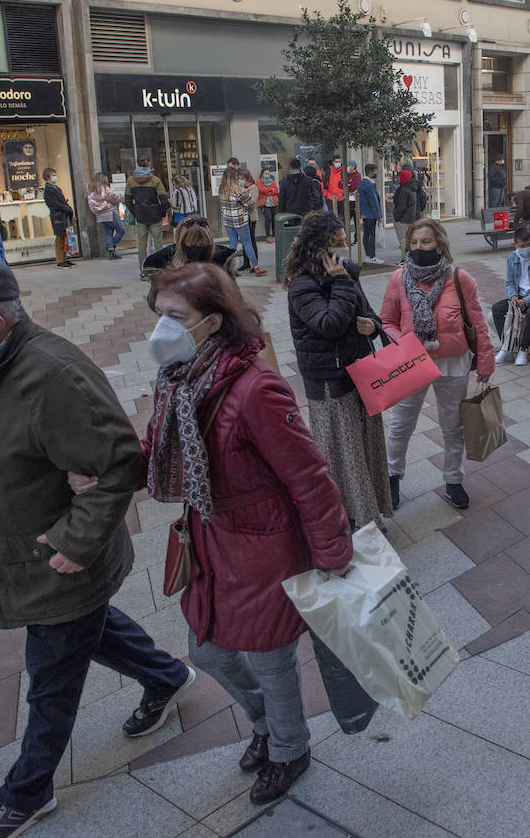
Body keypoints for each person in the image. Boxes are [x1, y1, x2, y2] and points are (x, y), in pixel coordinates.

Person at [0, 254, 194, 838]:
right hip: (24, 559)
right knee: (90, 632)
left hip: (60, 561)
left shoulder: (55, 375)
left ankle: (27, 791)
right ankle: (166, 677)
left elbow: (117, 463)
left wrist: (76, 544)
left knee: (51, 681)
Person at [140, 261, 368, 805]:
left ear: (213, 322)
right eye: (157, 315)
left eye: (175, 316)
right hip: (213, 539)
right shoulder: (176, 380)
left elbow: (309, 475)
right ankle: (266, 723)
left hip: (266, 546)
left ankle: (289, 748)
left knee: (271, 656)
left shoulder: (256, 387)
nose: (160, 328)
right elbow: (153, 454)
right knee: (208, 650)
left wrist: (332, 550)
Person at [284, 212, 393, 528]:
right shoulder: (302, 285)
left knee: (368, 446)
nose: (345, 248)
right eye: (337, 243)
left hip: (361, 372)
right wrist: (342, 281)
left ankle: (370, 510)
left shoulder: (347, 274)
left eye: (346, 241)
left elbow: (370, 315)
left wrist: (371, 326)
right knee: (344, 453)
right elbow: (328, 324)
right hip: (330, 381)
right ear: (318, 248)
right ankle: (349, 518)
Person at [381, 219, 495, 510]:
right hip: (411, 361)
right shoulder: (398, 278)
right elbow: (388, 322)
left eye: (426, 242)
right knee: (400, 425)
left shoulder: (460, 279)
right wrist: (403, 343)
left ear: (440, 244)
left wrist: (485, 360)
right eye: (414, 242)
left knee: (453, 426)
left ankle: (454, 480)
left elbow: (478, 323)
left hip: (452, 362)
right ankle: (392, 478)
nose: (419, 248)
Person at [491, 225, 530, 366]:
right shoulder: (512, 258)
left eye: (528, 244)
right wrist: (513, 296)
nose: (526, 248)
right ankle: (507, 347)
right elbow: (510, 281)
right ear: (514, 244)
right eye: (522, 246)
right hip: (519, 297)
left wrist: (527, 300)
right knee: (497, 309)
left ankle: (523, 349)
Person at [126, 157, 169, 279]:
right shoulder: (155, 180)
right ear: (148, 164)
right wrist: (161, 212)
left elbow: (127, 200)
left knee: (142, 244)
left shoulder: (131, 181)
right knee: (158, 243)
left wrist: (135, 212)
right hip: (154, 214)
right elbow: (164, 200)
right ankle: (159, 269)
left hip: (140, 215)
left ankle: (143, 270)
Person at [219, 166, 263, 276]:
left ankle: (230, 268)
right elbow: (249, 202)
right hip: (239, 220)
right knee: (247, 243)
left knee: (232, 243)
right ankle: (255, 267)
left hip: (227, 220)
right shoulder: (238, 188)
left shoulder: (222, 189)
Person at [87, 172, 125, 260]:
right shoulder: (104, 188)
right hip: (109, 212)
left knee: (108, 232)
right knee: (121, 230)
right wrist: (121, 198)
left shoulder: (91, 190)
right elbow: (113, 198)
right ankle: (111, 246)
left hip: (100, 215)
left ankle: (111, 251)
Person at [42, 168, 75, 269]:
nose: (55, 177)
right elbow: (54, 204)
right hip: (58, 216)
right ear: (48, 177)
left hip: (64, 215)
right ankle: (60, 260)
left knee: (65, 236)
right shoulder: (48, 190)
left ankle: (64, 258)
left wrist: (68, 208)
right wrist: (66, 208)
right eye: (53, 175)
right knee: (60, 237)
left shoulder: (56, 188)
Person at [392, 167, 423, 258]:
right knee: (409, 239)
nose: (398, 179)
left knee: (403, 240)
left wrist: (397, 217)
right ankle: (411, 258)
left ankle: (405, 259)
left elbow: (401, 206)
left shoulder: (404, 190)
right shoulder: (412, 188)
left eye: (399, 176)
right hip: (411, 217)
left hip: (403, 219)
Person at [358, 163, 384, 264]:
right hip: (371, 214)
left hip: (365, 213)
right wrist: (378, 215)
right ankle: (372, 256)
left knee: (366, 234)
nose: (375, 174)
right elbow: (374, 201)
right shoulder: (369, 185)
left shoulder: (362, 183)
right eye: (374, 172)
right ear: (370, 172)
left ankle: (368, 255)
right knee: (371, 235)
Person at [255, 167, 279, 241]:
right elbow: (260, 190)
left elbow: (276, 190)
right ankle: (268, 235)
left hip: (274, 202)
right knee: (268, 218)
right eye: (266, 173)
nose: (267, 175)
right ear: (262, 174)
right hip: (264, 203)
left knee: (274, 219)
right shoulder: (258, 182)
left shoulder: (272, 181)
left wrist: (267, 191)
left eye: (268, 173)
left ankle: (275, 235)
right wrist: (270, 189)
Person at [325, 155, 345, 222]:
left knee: (341, 217)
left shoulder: (343, 172)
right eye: (336, 162)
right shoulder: (328, 171)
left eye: (339, 162)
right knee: (331, 217)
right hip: (330, 197)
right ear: (333, 162)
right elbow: (325, 184)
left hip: (341, 197)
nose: (338, 163)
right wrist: (325, 195)